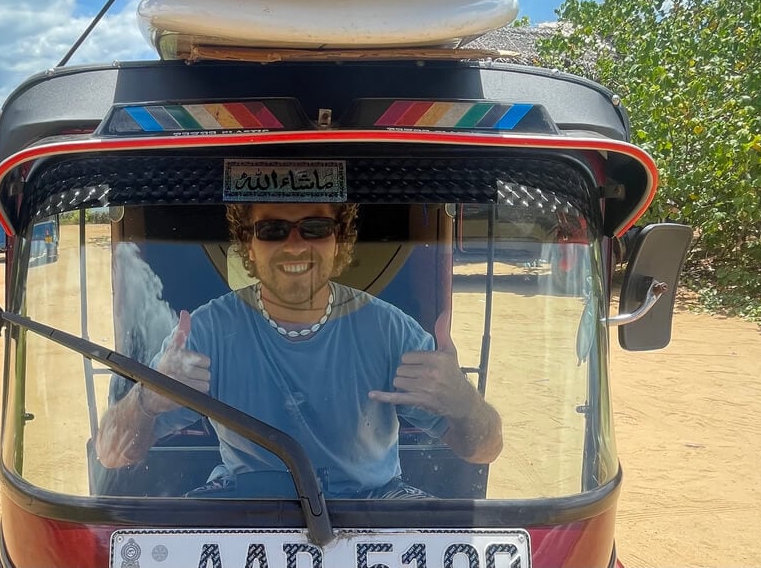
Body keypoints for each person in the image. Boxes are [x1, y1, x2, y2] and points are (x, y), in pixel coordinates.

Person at [96, 202, 502, 498]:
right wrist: (149, 399)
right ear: (248, 247)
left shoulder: (391, 330)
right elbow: (111, 454)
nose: (295, 245)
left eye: (314, 228)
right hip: (245, 506)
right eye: (272, 230)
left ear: (338, 241)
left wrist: (464, 402)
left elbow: (485, 448)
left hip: (373, 507)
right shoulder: (203, 332)